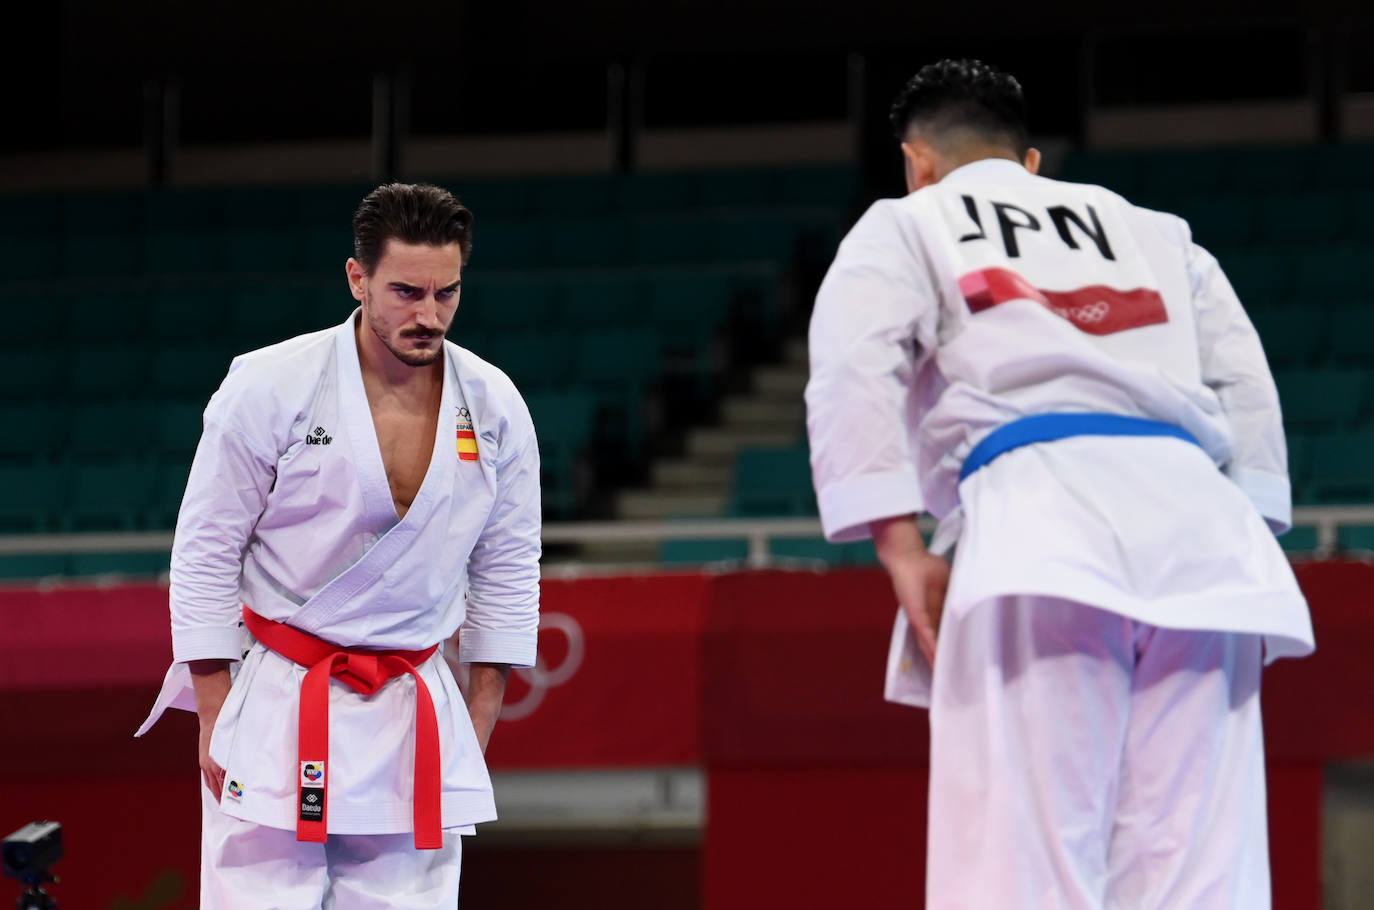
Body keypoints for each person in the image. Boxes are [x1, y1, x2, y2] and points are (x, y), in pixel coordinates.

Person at [805, 59, 1314, 908]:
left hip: (1040, 531)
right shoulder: (1158, 232)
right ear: (1032, 161)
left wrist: (899, 548)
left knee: (1023, 857)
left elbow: (855, 371)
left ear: (915, 160)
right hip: (1204, 536)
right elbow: (1247, 388)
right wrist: (1246, 536)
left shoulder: (911, 219)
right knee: (1199, 865)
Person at [135, 183, 541, 908]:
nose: (427, 314)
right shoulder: (269, 385)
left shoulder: (496, 403)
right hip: (281, 699)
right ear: (357, 279)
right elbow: (204, 552)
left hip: (414, 710)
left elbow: (509, 567)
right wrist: (215, 712)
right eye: (406, 291)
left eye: (446, 293)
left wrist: (478, 717)